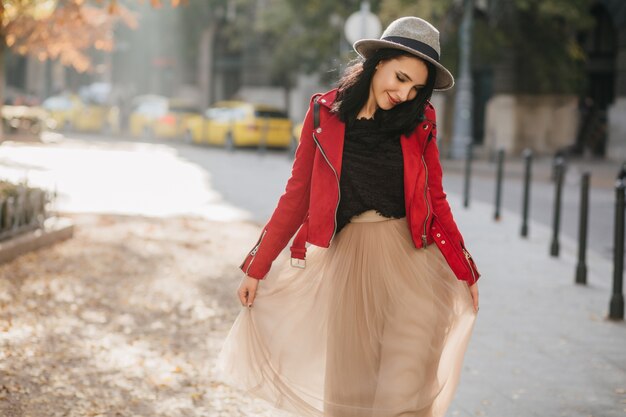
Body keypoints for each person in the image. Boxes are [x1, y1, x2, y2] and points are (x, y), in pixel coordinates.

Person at [217, 16, 480, 417]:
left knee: (403, 391)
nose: (405, 93)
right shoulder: (325, 116)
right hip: (351, 266)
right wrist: (258, 265)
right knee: (351, 391)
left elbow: (435, 198)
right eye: (401, 77)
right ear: (378, 62)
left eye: (416, 87)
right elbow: (296, 197)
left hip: (415, 263)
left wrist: (466, 270)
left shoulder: (421, 120)